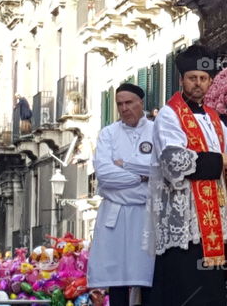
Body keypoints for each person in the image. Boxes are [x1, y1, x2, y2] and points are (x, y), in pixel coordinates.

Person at [149, 45, 227, 306]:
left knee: (211, 290)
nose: (198, 84)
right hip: (185, 224)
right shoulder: (169, 115)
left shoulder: (212, 118)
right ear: (181, 80)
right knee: (183, 286)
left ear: (210, 81)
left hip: (212, 226)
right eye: (192, 78)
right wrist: (219, 160)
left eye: (203, 78)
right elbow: (173, 161)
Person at [87, 84, 155, 306]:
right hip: (114, 217)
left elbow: (160, 169)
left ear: (141, 103)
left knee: (145, 275)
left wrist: (125, 166)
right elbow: (104, 176)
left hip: (146, 216)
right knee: (116, 279)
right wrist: (140, 178)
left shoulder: (157, 131)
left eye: (129, 102)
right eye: (120, 104)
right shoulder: (108, 134)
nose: (124, 108)